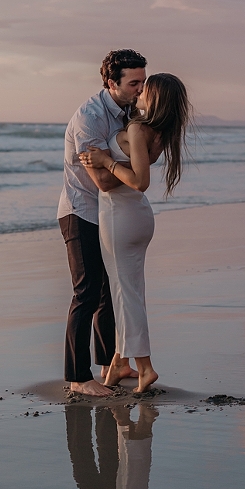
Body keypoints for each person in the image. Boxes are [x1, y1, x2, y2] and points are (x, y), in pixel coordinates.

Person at [80, 73, 190, 395]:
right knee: (126, 293)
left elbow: (141, 181)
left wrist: (104, 160)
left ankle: (145, 367)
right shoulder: (156, 132)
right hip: (136, 217)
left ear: (156, 98)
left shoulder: (137, 129)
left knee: (125, 296)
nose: (140, 91)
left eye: (146, 88)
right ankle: (117, 364)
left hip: (121, 216)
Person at [59, 49, 147, 397]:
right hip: (81, 211)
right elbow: (104, 182)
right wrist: (122, 166)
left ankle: (113, 363)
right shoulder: (90, 118)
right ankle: (79, 377)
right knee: (87, 292)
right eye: (133, 83)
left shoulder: (130, 110)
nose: (140, 89)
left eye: (143, 82)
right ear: (111, 83)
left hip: (110, 213)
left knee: (111, 294)